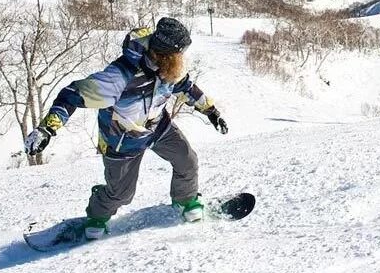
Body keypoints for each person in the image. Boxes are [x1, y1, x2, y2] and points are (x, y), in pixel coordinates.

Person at [24, 16, 228, 239]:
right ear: (163, 54)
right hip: (123, 139)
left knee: (186, 159)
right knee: (121, 194)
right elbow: (72, 95)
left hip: (158, 127)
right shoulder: (120, 76)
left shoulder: (169, 69)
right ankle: (97, 215)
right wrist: (47, 129)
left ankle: (185, 200)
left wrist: (211, 111)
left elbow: (185, 87)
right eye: (178, 54)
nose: (182, 59)